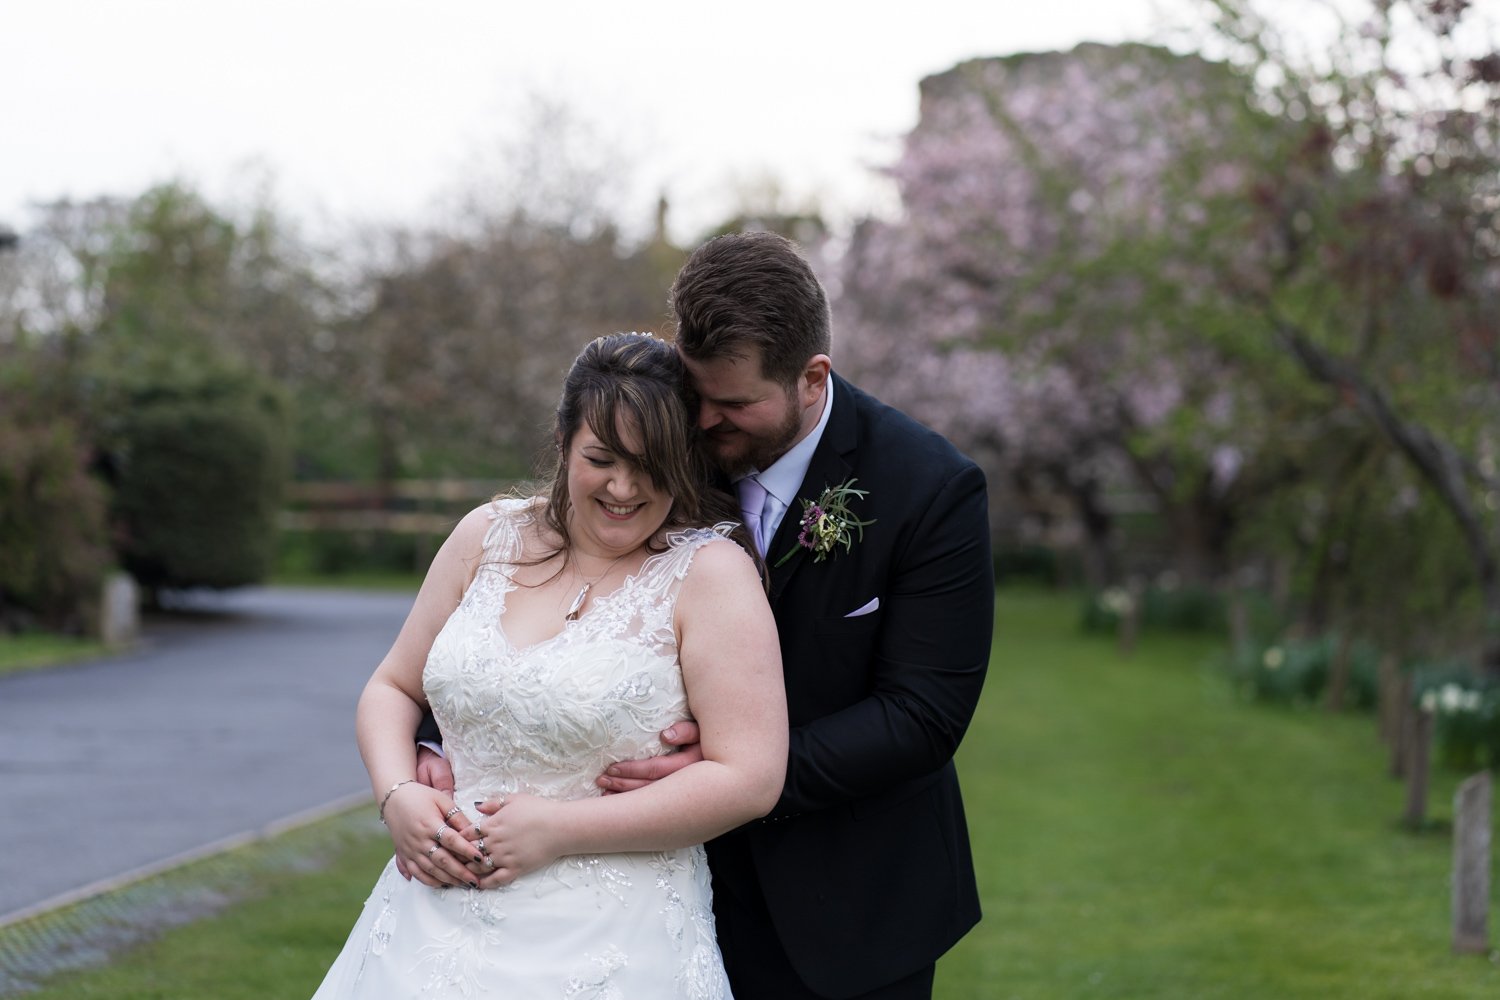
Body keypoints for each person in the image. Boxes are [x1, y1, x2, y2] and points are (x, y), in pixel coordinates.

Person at [422, 232, 994, 998]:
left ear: (811, 379)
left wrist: (733, 771)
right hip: (656, 893)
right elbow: (562, 600)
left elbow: (923, 715)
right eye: (697, 398)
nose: (705, 425)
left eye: (734, 405)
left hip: (850, 900)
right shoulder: (668, 456)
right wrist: (451, 730)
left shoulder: (929, 489)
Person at [312, 332, 788, 998]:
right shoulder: (486, 535)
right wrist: (398, 796)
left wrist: (560, 830)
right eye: (602, 458)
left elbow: (750, 776)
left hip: (615, 939)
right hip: (429, 923)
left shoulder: (710, 575)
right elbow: (392, 686)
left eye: (652, 465)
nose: (624, 487)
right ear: (563, 443)